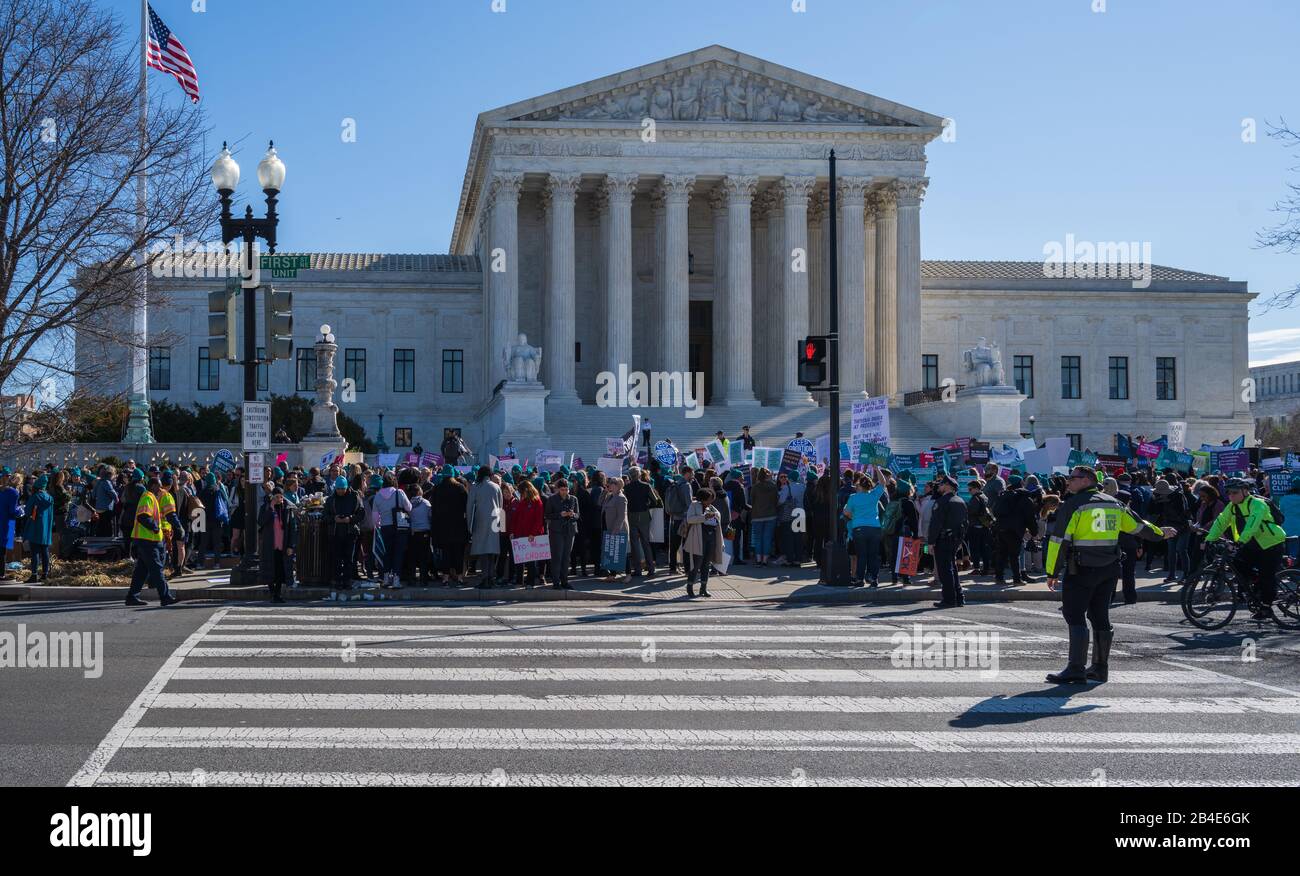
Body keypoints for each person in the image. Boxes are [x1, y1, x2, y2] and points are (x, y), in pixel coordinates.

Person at [1045, 465, 1171, 684]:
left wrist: (1051, 571)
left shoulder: (1074, 505)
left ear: (1086, 480)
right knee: (1100, 616)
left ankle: (1076, 668)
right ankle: (1099, 669)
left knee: (1074, 615)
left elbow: (1058, 541)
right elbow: (1138, 526)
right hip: (1109, 569)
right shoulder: (1115, 503)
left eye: (1072, 478)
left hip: (1081, 569)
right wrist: (1161, 534)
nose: (1068, 482)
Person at [1205, 478, 1287, 621]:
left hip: (1271, 543)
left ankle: (1266, 607)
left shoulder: (1258, 504)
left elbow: (1252, 524)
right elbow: (1221, 521)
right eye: (1228, 493)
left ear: (1245, 491)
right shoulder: (1232, 506)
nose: (1231, 496)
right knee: (1236, 564)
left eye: (1235, 493)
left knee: (1266, 576)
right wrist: (1209, 539)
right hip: (1251, 544)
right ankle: (1256, 585)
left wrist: (1241, 541)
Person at [126, 478, 179, 608]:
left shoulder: (150, 497)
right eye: (159, 486)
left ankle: (132, 597)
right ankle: (165, 597)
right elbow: (143, 516)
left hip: (147, 539)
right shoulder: (148, 497)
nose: (161, 489)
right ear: (154, 485)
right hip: (148, 540)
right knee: (156, 569)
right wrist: (155, 527)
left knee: (142, 571)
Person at [928, 474, 969, 608]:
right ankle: (959, 597)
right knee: (953, 569)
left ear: (947, 486)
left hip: (943, 539)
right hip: (955, 539)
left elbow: (936, 523)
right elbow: (965, 524)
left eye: (941, 484)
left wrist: (931, 541)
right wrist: (959, 541)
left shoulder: (942, 502)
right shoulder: (961, 501)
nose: (939, 487)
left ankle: (949, 599)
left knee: (945, 570)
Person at [842, 475, 886, 587]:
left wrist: (856, 517)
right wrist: (876, 468)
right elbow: (883, 482)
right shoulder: (874, 495)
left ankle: (860, 579)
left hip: (859, 528)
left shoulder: (853, 497)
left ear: (860, 486)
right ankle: (873, 578)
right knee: (873, 555)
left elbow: (846, 512)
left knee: (861, 555)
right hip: (874, 528)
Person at [257, 487, 297, 604]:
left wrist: (291, 545)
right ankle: (272, 592)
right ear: (272, 497)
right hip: (270, 545)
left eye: (281, 497)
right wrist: (271, 507)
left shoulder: (287, 509)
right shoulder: (266, 507)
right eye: (276, 497)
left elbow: (292, 528)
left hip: (282, 545)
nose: (279, 499)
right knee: (269, 569)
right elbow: (261, 522)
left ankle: (277, 593)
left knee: (280, 570)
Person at [683, 487, 724, 598]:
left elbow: (718, 515)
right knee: (696, 565)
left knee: (706, 565)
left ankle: (703, 589)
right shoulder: (694, 505)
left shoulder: (711, 507)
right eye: (709, 499)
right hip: (698, 538)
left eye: (712, 499)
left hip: (710, 538)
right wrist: (704, 517)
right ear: (703, 498)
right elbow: (690, 519)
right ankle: (690, 587)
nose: (711, 501)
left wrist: (714, 515)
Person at [323, 477, 364, 589]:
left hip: (350, 532)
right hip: (335, 533)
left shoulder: (355, 497)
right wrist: (334, 519)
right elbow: (325, 515)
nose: (340, 491)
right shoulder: (331, 499)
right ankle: (337, 580)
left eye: (343, 489)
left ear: (346, 487)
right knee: (336, 558)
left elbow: (361, 514)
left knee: (349, 558)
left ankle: (347, 580)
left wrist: (350, 519)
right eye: (338, 489)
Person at [467, 466, 504, 589]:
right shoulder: (496, 487)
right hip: (495, 521)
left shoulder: (475, 487)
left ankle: (485, 578)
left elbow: (470, 507)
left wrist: (469, 525)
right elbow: (501, 507)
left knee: (483, 550)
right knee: (492, 551)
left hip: (480, 521)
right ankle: (491, 578)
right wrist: (502, 526)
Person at [509, 479, 546, 588]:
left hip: (532, 536)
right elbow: (515, 518)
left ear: (526, 490)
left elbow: (538, 520)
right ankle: (519, 581)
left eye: (522, 492)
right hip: (520, 534)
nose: (521, 495)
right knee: (519, 560)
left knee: (531, 561)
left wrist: (532, 533)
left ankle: (530, 582)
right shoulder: (522, 501)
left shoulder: (537, 502)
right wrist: (512, 531)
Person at [623, 466, 658, 578]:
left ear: (630, 475)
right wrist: (647, 506)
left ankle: (637, 569)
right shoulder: (646, 486)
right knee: (646, 543)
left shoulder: (627, 488)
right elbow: (655, 501)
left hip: (632, 516)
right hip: (644, 516)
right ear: (639, 475)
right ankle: (651, 569)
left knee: (634, 544)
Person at [545, 477, 580, 590]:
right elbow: (547, 515)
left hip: (570, 531)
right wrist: (560, 514)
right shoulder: (552, 499)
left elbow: (578, 515)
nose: (564, 492)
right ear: (558, 489)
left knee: (566, 556)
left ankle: (565, 580)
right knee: (557, 556)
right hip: (556, 531)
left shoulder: (573, 499)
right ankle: (556, 582)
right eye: (562, 490)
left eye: (566, 489)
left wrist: (572, 514)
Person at [662, 469, 694, 577]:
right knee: (686, 544)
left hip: (674, 518)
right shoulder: (686, 485)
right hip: (684, 518)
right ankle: (688, 569)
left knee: (674, 545)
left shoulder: (675, 484)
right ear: (687, 473)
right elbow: (688, 503)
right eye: (692, 473)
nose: (693, 475)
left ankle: (672, 568)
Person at [23, 475, 54, 583]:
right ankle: (45, 574)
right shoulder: (50, 498)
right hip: (46, 528)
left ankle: (34, 575)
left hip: (35, 527)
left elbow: (27, 512)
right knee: (45, 551)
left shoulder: (35, 497)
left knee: (34, 552)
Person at [601, 477, 630, 583]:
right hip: (609, 527)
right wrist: (604, 492)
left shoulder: (621, 498)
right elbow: (599, 503)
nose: (608, 485)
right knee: (611, 551)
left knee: (623, 551)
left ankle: (628, 574)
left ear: (617, 485)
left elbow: (622, 515)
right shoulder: (609, 496)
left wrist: (616, 528)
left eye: (611, 484)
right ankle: (612, 575)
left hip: (619, 528)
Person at [749, 468, 779, 566]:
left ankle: (758, 559)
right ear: (768, 475)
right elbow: (776, 501)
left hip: (757, 515)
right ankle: (765, 560)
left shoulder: (755, 487)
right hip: (771, 515)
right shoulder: (773, 486)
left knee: (758, 538)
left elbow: (751, 501)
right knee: (767, 538)